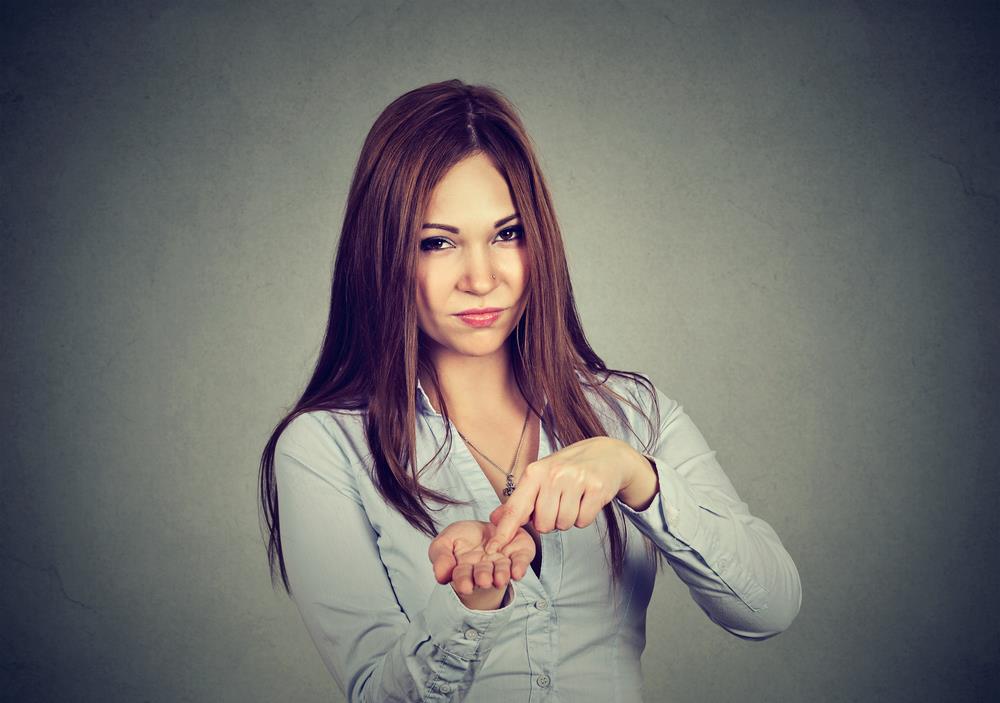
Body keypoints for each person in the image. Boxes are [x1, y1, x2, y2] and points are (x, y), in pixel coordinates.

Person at [257, 79, 802, 702]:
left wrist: (638, 477)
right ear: (381, 254)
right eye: (436, 242)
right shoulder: (325, 446)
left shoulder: (632, 417)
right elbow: (373, 694)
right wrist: (471, 604)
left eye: (506, 234)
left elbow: (769, 608)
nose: (481, 277)